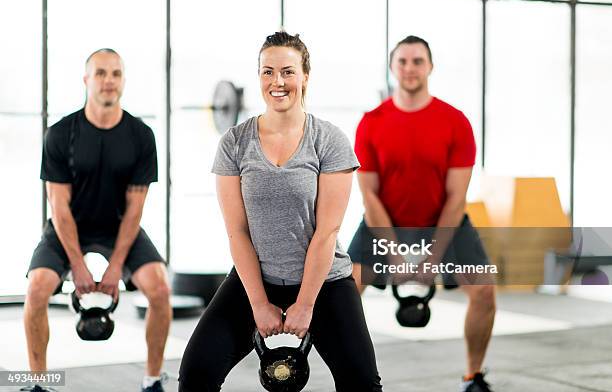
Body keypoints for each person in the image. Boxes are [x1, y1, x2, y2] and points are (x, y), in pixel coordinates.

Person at [178, 31, 383, 392]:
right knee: (195, 375)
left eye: (288, 71)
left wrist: (305, 306)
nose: (278, 82)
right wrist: (259, 303)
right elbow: (236, 231)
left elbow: (327, 232)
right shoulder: (235, 142)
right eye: (267, 71)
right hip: (255, 279)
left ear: (305, 76)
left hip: (325, 283)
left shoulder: (328, 140)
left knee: (363, 383)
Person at [349, 35, 497, 392]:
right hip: (383, 220)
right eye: (403, 61)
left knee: (484, 291)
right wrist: (394, 253)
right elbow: (369, 196)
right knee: (344, 292)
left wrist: (432, 256)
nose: (410, 68)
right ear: (392, 67)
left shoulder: (455, 121)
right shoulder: (371, 122)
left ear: (430, 66)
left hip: (443, 220)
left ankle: (472, 376)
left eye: (417, 61)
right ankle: (355, 378)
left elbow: (456, 198)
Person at [23, 49, 172, 392]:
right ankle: (38, 384)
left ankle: (152, 380)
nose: (109, 80)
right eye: (101, 73)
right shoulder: (60, 134)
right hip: (68, 226)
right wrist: (77, 265)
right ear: (86, 80)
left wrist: (116, 266)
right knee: (37, 287)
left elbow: (135, 208)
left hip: (121, 226)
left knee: (161, 288)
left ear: (123, 81)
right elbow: (59, 208)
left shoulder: (140, 135)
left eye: (116, 74)